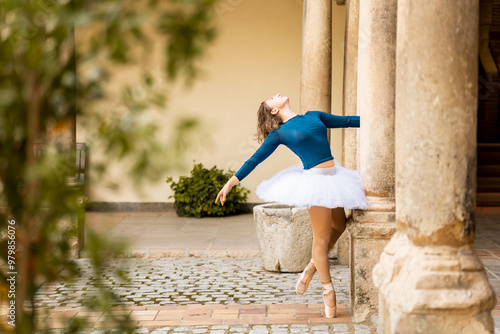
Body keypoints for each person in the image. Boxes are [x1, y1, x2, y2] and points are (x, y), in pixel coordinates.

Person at [215, 93, 368, 318]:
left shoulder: (314, 115)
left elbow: (346, 121)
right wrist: (230, 182)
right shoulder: (279, 133)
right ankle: (328, 289)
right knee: (322, 237)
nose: (275, 95)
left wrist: (384, 118)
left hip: (334, 177)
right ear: (274, 111)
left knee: (341, 226)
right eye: (271, 99)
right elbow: (255, 159)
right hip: (314, 182)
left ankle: (313, 265)